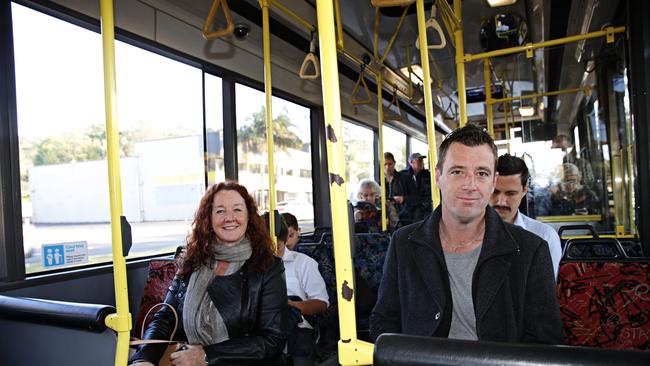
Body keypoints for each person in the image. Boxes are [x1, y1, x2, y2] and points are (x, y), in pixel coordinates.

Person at [370, 124, 564, 344]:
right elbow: (384, 320)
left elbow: (544, 340)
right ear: (438, 176)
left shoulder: (530, 250)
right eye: (458, 172)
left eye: (481, 173)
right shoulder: (403, 243)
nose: (470, 185)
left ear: (493, 181)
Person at [129, 181, 288, 366]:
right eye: (220, 211)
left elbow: (272, 340)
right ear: (209, 219)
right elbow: (166, 317)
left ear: (249, 217)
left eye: (237, 210)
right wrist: (144, 358)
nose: (229, 218)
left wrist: (207, 356)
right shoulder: (192, 262)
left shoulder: (268, 267)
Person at [264, 212, 329, 366]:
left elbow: (322, 303)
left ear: (284, 240)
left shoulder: (304, 263)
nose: (271, 251)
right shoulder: (252, 266)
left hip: (297, 327)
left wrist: (292, 306)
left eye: (276, 246)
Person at [490, 154, 562, 279]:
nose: (500, 201)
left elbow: (545, 292)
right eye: (495, 192)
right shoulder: (467, 233)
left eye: (510, 193)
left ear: (524, 191)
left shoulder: (544, 236)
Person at [399, 152, 433, 223]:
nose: (421, 163)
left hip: (425, 207)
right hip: (408, 208)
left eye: (422, 160)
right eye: (419, 160)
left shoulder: (428, 175)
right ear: (411, 162)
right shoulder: (403, 176)